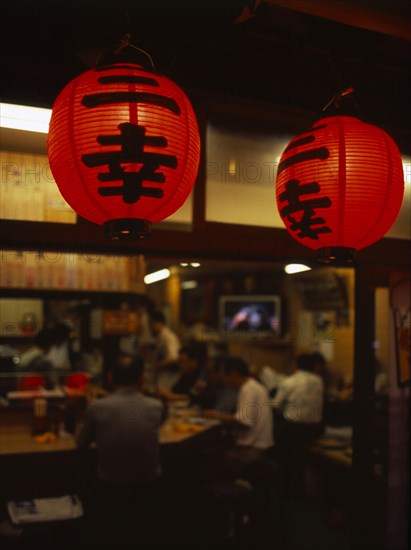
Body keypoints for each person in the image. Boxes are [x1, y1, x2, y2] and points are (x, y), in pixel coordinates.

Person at [76, 354, 166, 548]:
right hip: (149, 486)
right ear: (141, 378)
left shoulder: (97, 407)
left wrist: (88, 407)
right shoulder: (156, 407)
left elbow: (81, 443)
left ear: (110, 378)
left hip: (111, 487)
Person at [202, 356, 274, 481]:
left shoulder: (247, 389)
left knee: (204, 466)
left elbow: (244, 421)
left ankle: (240, 486)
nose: (223, 379)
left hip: (252, 451)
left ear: (234, 374)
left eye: (224, 375)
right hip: (260, 447)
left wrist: (218, 416)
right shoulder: (255, 386)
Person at [272, 353, 324, 496]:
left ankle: (283, 485)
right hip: (315, 429)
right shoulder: (319, 380)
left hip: (294, 430)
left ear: (296, 364)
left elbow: (275, 405)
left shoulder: (289, 381)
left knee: (277, 432)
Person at [148, 310, 181, 389]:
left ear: (160, 323)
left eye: (152, 324)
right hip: (161, 377)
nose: (150, 327)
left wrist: (157, 365)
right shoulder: (159, 337)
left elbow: (174, 358)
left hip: (169, 377)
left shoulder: (169, 337)